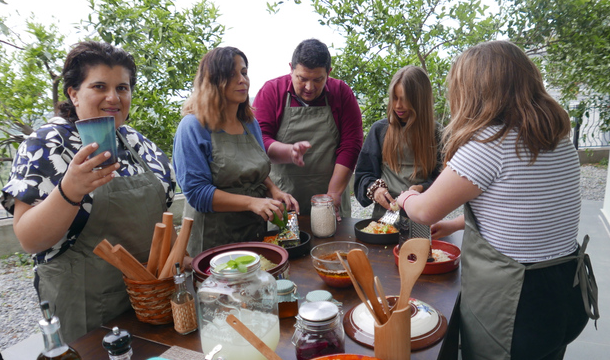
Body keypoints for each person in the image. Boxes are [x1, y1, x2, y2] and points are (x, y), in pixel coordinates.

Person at [396, 41, 597, 360]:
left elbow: (423, 212)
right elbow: (519, 217)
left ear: (476, 90)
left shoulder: (487, 145)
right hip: (564, 295)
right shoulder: (556, 138)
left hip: (516, 309)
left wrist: (404, 198)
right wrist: (456, 223)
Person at [1, 41, 175, 342]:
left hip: (152, 302)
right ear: (73, 93)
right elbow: (29, 238)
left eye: (122, 87)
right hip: (87, 314)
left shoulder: (137, 143)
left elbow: (163, 218)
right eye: (99, 86)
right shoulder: (47, 143)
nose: (113, 97)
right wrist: (70, 190)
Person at [173, 47, 298, 256]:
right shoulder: (193, 127)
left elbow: (255, 169)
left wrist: (274, 191)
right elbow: (197, 193)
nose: (243, 80)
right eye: (232, 74)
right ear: (213, 81)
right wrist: (252, 202)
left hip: (254, 233)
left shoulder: (250, 124)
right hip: (214, 242)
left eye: (244, 72)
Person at [253, 39, 363, 220]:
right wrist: (289, 151)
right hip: (283, 200)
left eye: (318, 80)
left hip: (330, 198)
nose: (309, 88)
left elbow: (351, 144)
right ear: (291, 68)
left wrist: (333, 194)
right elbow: (259, 141)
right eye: (302, 79)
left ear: (329, 72)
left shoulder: (341, 93)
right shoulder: (271, 92)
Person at [354, 65, 442, 219]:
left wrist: (422, 187)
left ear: (420, 101)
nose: (397, 106)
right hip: (385, 217)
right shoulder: (380, 130)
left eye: (405, 100)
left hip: (424, 216)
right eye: (394, 98)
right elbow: (363, 175)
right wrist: (375, 190)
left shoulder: (437, 133)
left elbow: (444, 180)